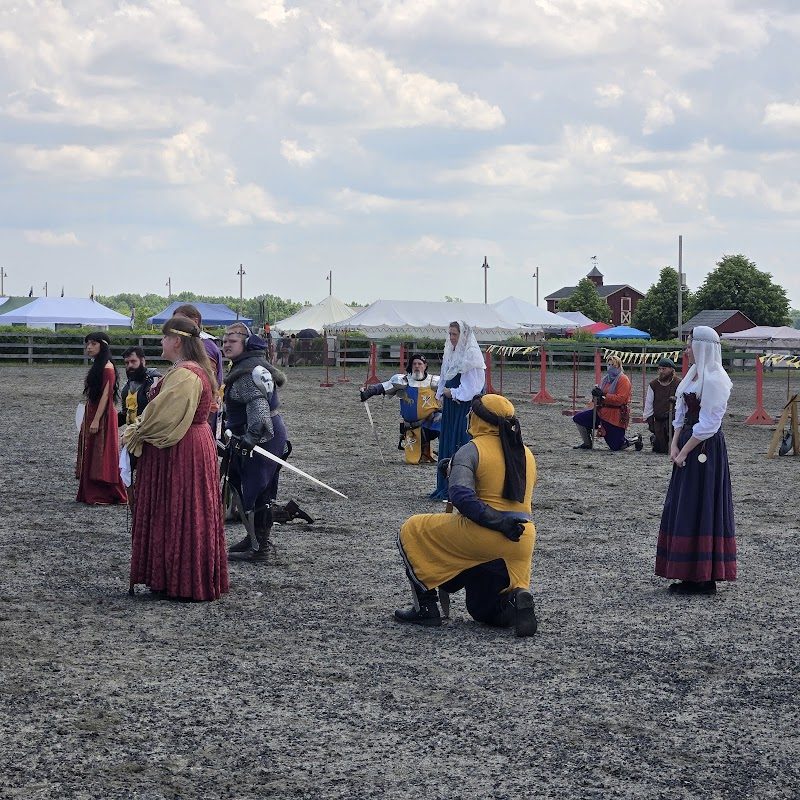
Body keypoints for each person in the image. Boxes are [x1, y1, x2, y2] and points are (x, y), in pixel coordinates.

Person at [395, 395, 538, 636]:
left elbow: (462, 497)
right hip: (522, 538)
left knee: (412, 529)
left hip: (487, 532)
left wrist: (498, 522)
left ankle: (425, 608)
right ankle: (514, 601)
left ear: (479, 419)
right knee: (481, 609)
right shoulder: (525, 453)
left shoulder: (471, 449)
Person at [125, 316, 228, 601]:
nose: (161, 342)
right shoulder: (185, 370)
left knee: (182, 508)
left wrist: (134, 433)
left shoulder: (186, 374)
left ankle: (183, 581)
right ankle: (170, 577)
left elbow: (162, 417)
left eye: (164, 337)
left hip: (182, 449)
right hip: (187, 445)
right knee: (177, 509)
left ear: (177, 341)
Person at [221, 323, 313, 563]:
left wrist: (249, 440)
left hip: (261, 438)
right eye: (225, 339)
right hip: (260, 436)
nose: (226, 343)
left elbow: (260, 414)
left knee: (256, 491)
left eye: (233, 339)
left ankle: (261, 547)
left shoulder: (247, 374)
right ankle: (254, 538)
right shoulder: (249, 367)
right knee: (250, 490)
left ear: (247, 344)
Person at [655, 326, 736, 595]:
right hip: (688, 443)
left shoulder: (715, 379)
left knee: (702, 504)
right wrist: (673, 444)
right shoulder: (693, 376)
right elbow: (680, 413)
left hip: (705, 448)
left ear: (702, 347)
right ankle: (688, 573)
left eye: (689, 345)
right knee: (685, 505)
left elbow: (710, 423)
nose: (686, 349)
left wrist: (686, 450)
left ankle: (704, 577)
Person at [430, 321, 486, 499]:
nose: (452, 338)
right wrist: (439, 394)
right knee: (448, 440)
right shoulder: (451, 352)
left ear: (463, 335)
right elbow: (445, 374)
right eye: (450, 334)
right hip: (451, 406)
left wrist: (452, 393)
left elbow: (473, 388)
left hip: (463, 407)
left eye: (455, 334)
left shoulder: (471, 356)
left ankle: (461, 488)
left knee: (461, 440)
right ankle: (445, 486)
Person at [359, 353, 442, 463]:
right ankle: (422, 448)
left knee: (443, 418)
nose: (417, 366)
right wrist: (368, 392)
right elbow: (384, 386)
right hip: (412, 427)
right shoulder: (402, 381)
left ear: (425, 365)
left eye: (420, 364)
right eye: (414, 364)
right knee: (412, 461)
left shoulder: (435, 381)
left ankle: (444, 452)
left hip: (430, 423)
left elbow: (453, 392)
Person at [76, 332, 128, 505]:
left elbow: (107, 395)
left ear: (102, 345)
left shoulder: (107, 367)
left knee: (102, 451)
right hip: (93, 410)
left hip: (102, 413)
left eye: (93, 344)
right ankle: (92, 491)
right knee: (91, 449)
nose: (88, 347)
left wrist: (96, 419)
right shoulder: (98, 365)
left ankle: (107, 493)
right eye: (87, 344)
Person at [572, 355, 642, 451]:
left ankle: (636, 439)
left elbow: (620, 399)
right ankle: (587, 443)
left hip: (615, 416)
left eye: (613, 365)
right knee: (579, 418)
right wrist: (595, 394)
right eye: (608, 364)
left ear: (618, 366)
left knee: (617, 446)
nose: (610, 367)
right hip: (600, 412)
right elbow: (599, 395)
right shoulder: (605, 379)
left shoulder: (623, 380)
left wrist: (604, 396)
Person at [172, 304, 223, 432]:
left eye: (179, 321)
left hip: (199, 417)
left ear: (194, 322)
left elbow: (206, 387)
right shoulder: (196, 346)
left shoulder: (204, 347)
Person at [643, 357, 681, 454]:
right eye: (659, 369)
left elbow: (682, 403)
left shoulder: (679, 383)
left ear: (671, 369)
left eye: (664, 369)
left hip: (674, 420)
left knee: (673, 446)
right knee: (660, 449)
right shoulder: (653, 385)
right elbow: (649, 404)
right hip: (659, 420)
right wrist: (650, 422)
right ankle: (655, 438)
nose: (661, 371)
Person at [117, 347, 162, 427]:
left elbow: (159, 413)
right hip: (135, 432)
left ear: (143, 361)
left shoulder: (154, 381)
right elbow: (126, 414)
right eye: (127, 363)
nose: (130, 365)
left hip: (151, 432)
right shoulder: (129, 384)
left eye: (133, 361)